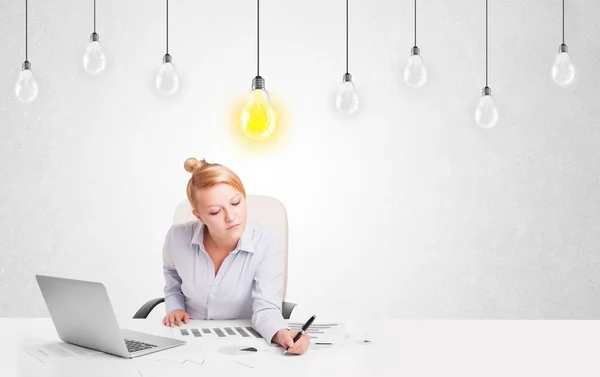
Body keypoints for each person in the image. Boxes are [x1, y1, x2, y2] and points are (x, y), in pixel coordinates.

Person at [161, 157, 309, 355]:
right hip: (187, 339)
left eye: (236, 202)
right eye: (215, 212)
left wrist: (282, 333)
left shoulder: (267, 241)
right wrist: (175, 307)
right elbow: (173, 280)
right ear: (199, 216)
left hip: (242, 345)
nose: (231, 217)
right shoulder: (176, 238)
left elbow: (266, 307)